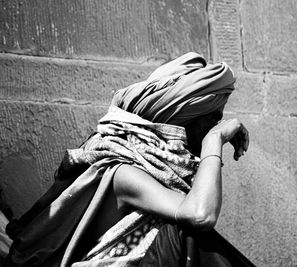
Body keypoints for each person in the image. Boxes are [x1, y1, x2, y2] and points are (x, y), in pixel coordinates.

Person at [5, 52, 253, 266]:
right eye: (213, 119)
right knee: (184, 238)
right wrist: (214, 141)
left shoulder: (156, 169)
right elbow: (200, 214)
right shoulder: (124, 173)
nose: (216, 125)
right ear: (185, 119)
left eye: (218, 123)